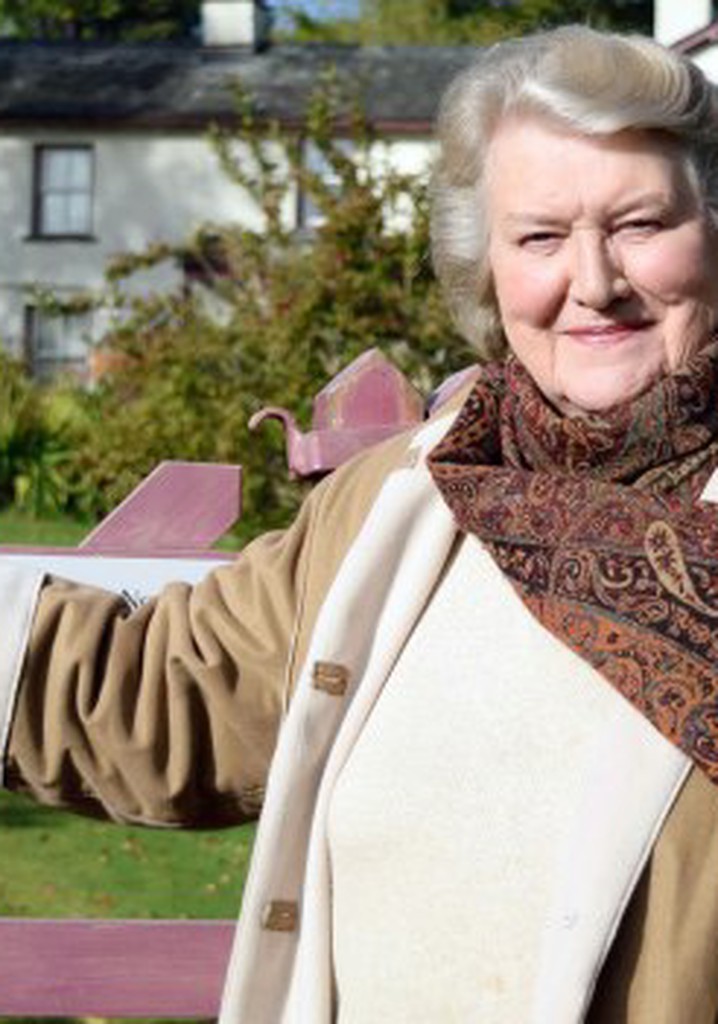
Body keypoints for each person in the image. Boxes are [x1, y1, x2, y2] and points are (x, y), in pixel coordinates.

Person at [3, 22, 718, 1023]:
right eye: (540, 237)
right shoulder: (403, 500)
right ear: (486, 270)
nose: (591, 281)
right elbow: (178, 689)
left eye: (639, 224)